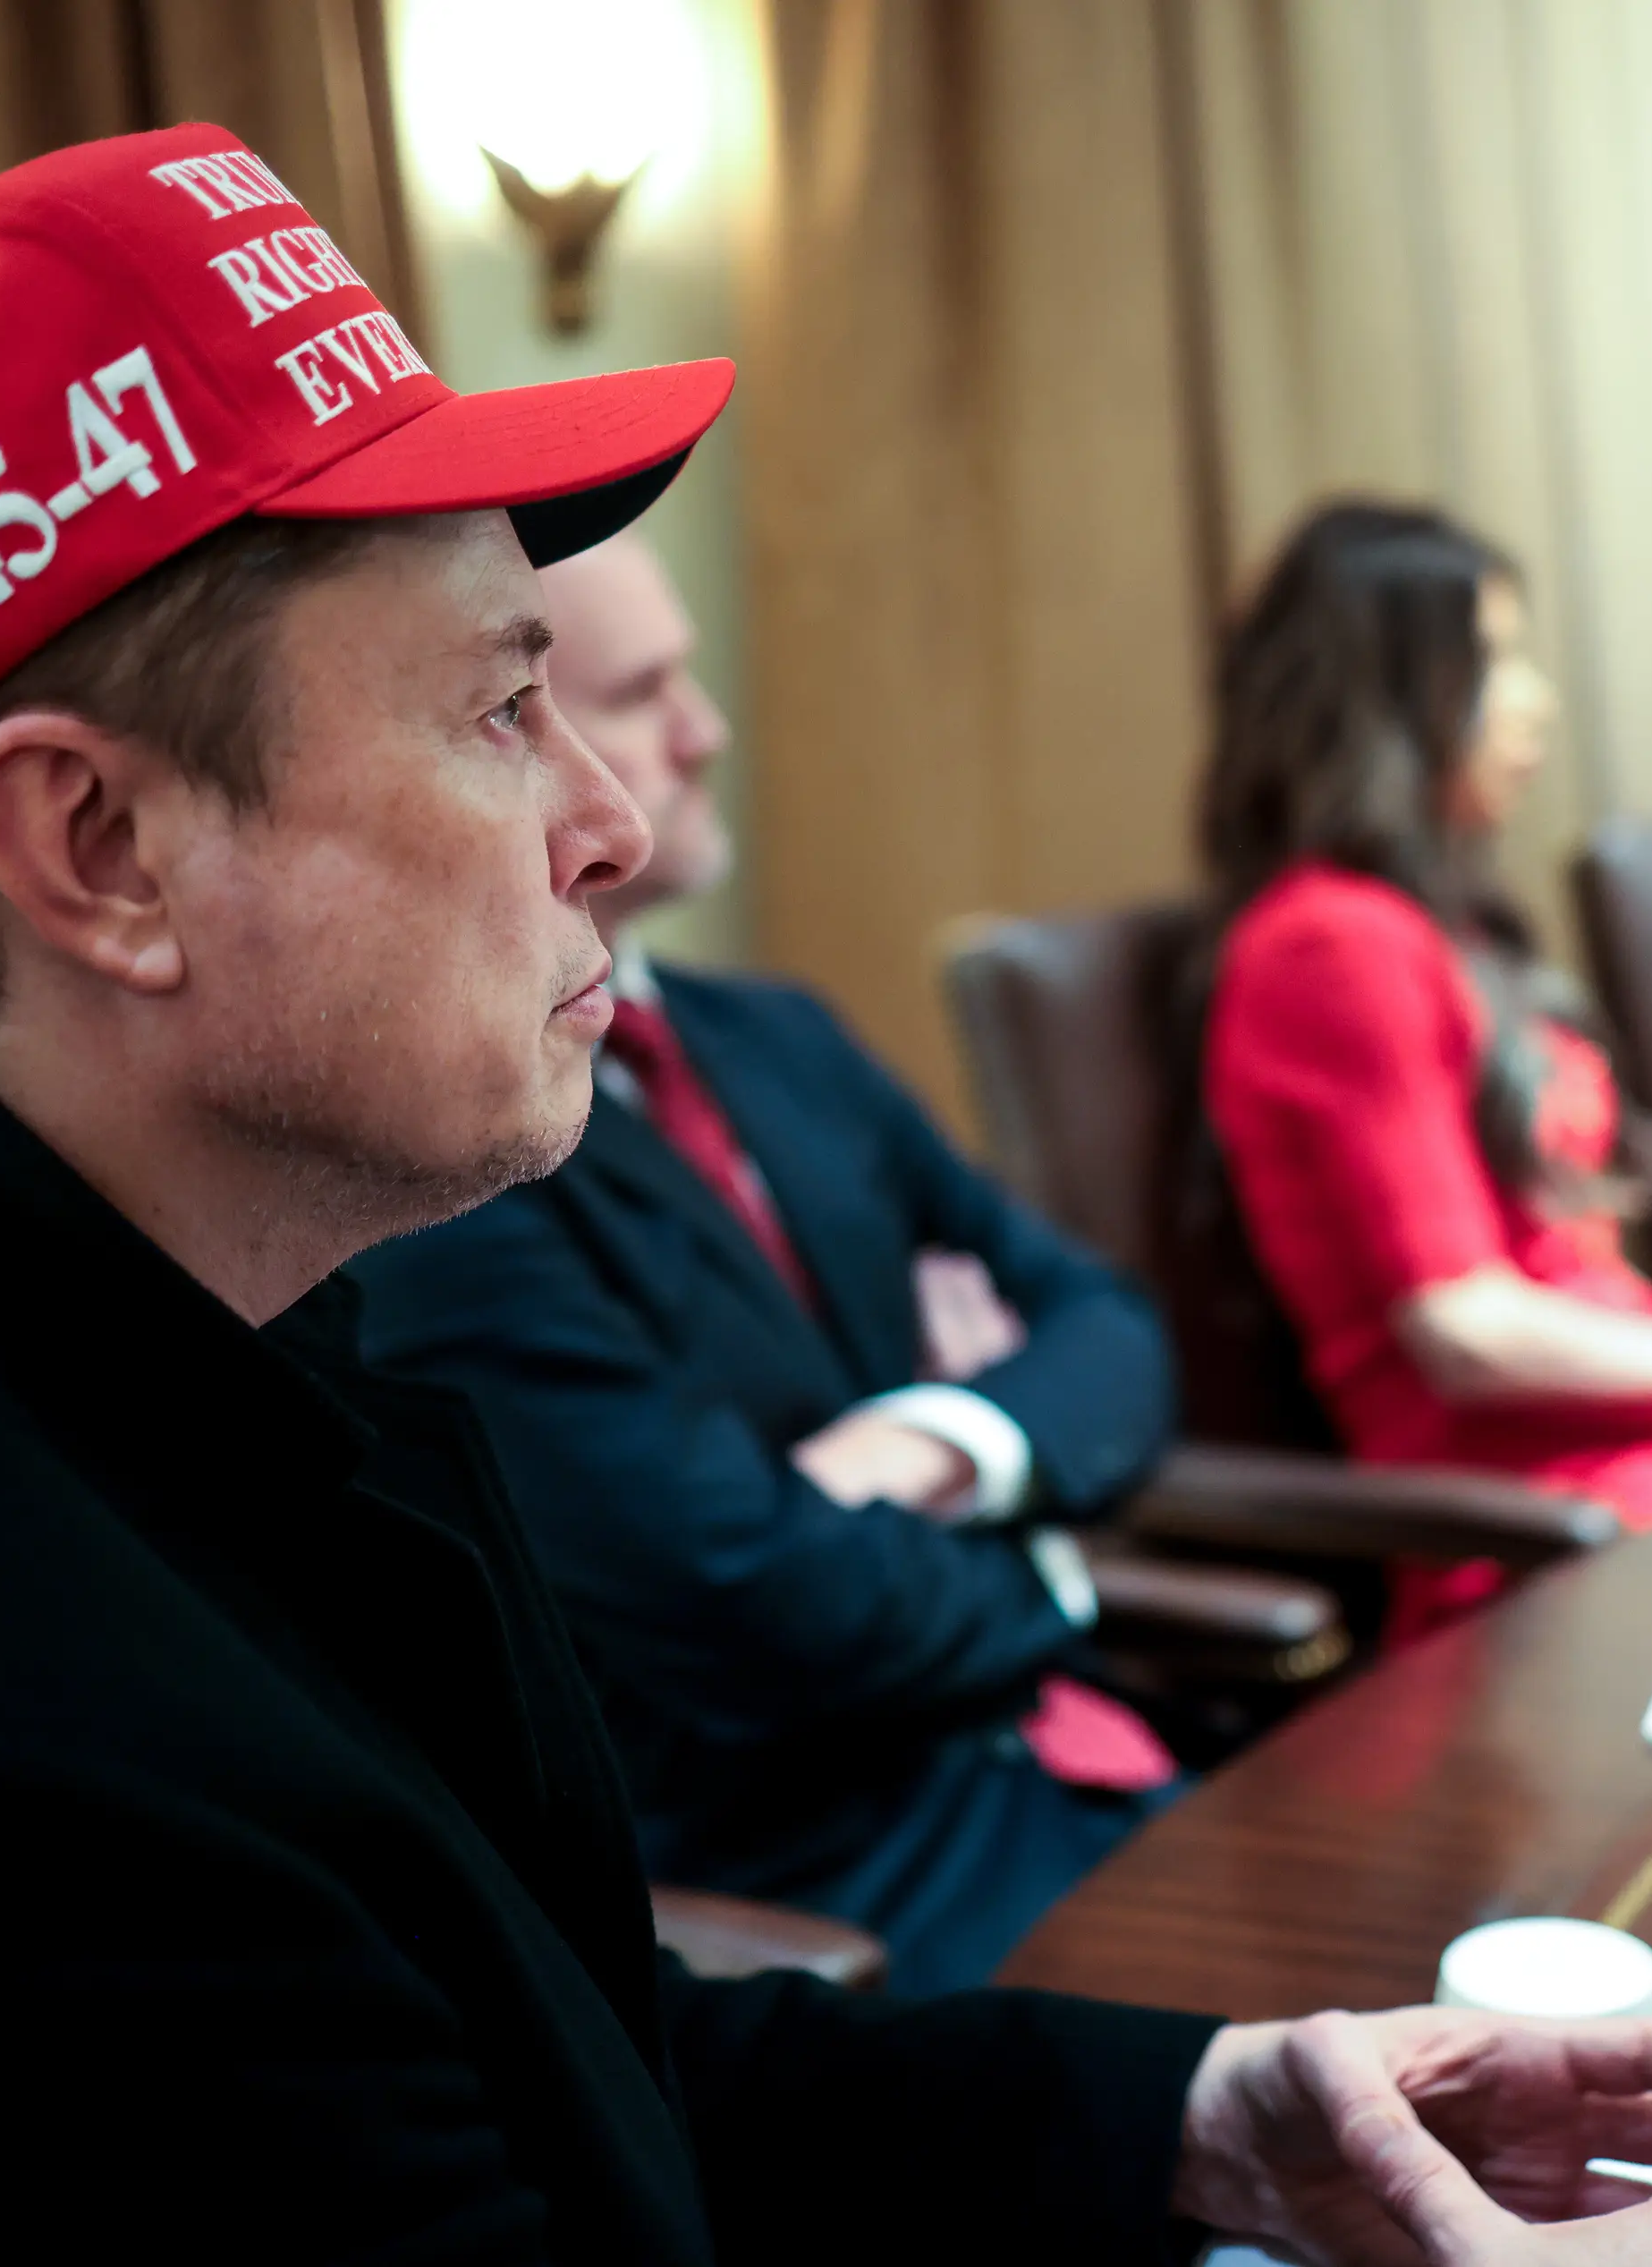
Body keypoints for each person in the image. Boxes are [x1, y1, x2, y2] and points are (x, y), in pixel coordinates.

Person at [0, 129, 1652, 2263]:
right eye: (505, 709)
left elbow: (566, 2070)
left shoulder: (142, 1323)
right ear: (101, 848)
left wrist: (1204, 2123)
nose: (609, 822)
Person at [348, 533, 1182, 1996]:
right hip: (830, 1896)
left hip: (1069, 1756)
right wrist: (1048, 1558)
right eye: (636, 691)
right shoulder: (453, 1156)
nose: (705, 731)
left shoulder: (782, 1036)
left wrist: (932, 1438)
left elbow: (1111, 1329)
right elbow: (750, 1602)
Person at [1196, 503, 1652, 1645]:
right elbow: (1467, 1330)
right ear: (1381, 701)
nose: (1535, 700)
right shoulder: (1330, 943)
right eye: (1492, 662)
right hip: (1537, 1526)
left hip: (1643, 1469)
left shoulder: (1435, 925)